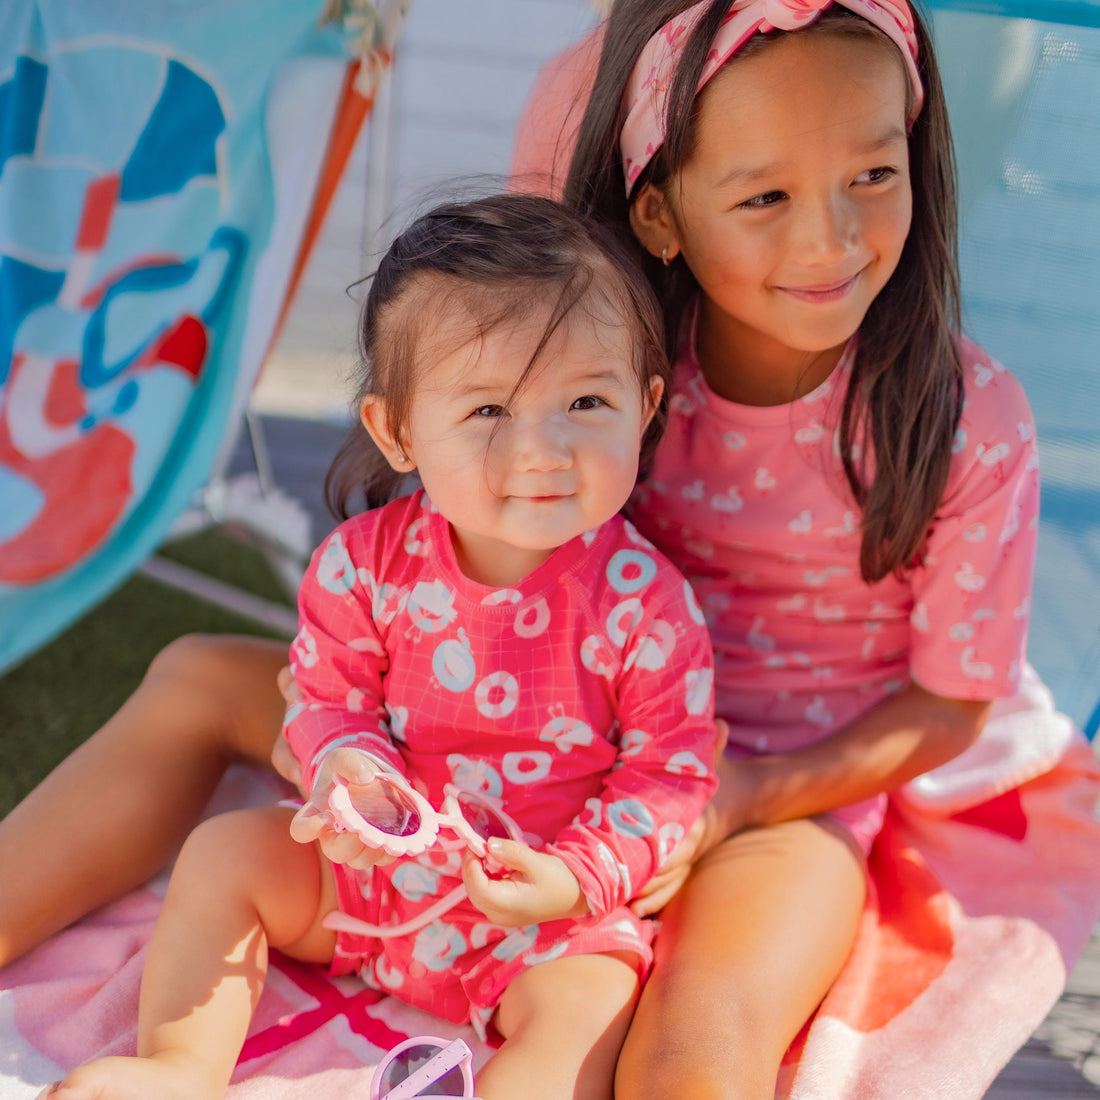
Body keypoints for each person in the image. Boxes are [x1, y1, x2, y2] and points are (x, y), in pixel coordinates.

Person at [3, 3, 1099, 1099]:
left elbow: (949, 704)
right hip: (520, 725)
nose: (828, 238)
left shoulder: (961, 420)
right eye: (764, 195)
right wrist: (350, 743)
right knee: (199, 671)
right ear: (662, 215)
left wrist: (748, 792)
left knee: (697, 1032)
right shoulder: (596, 350)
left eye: (872, 173)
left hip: (766, 780)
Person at [35, 194, 720, 1100]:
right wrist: (353, 783)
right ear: (397, 431)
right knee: (225, 857)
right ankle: (178, 1067)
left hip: (540, 915)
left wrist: (574, 877)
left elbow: (669, 777)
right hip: (374, 879)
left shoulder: (649, 608)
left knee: (591, 1007)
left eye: (587, 400)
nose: (545, 449)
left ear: (646, 406)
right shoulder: (363, 565)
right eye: (487, 411)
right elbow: (328, 701)